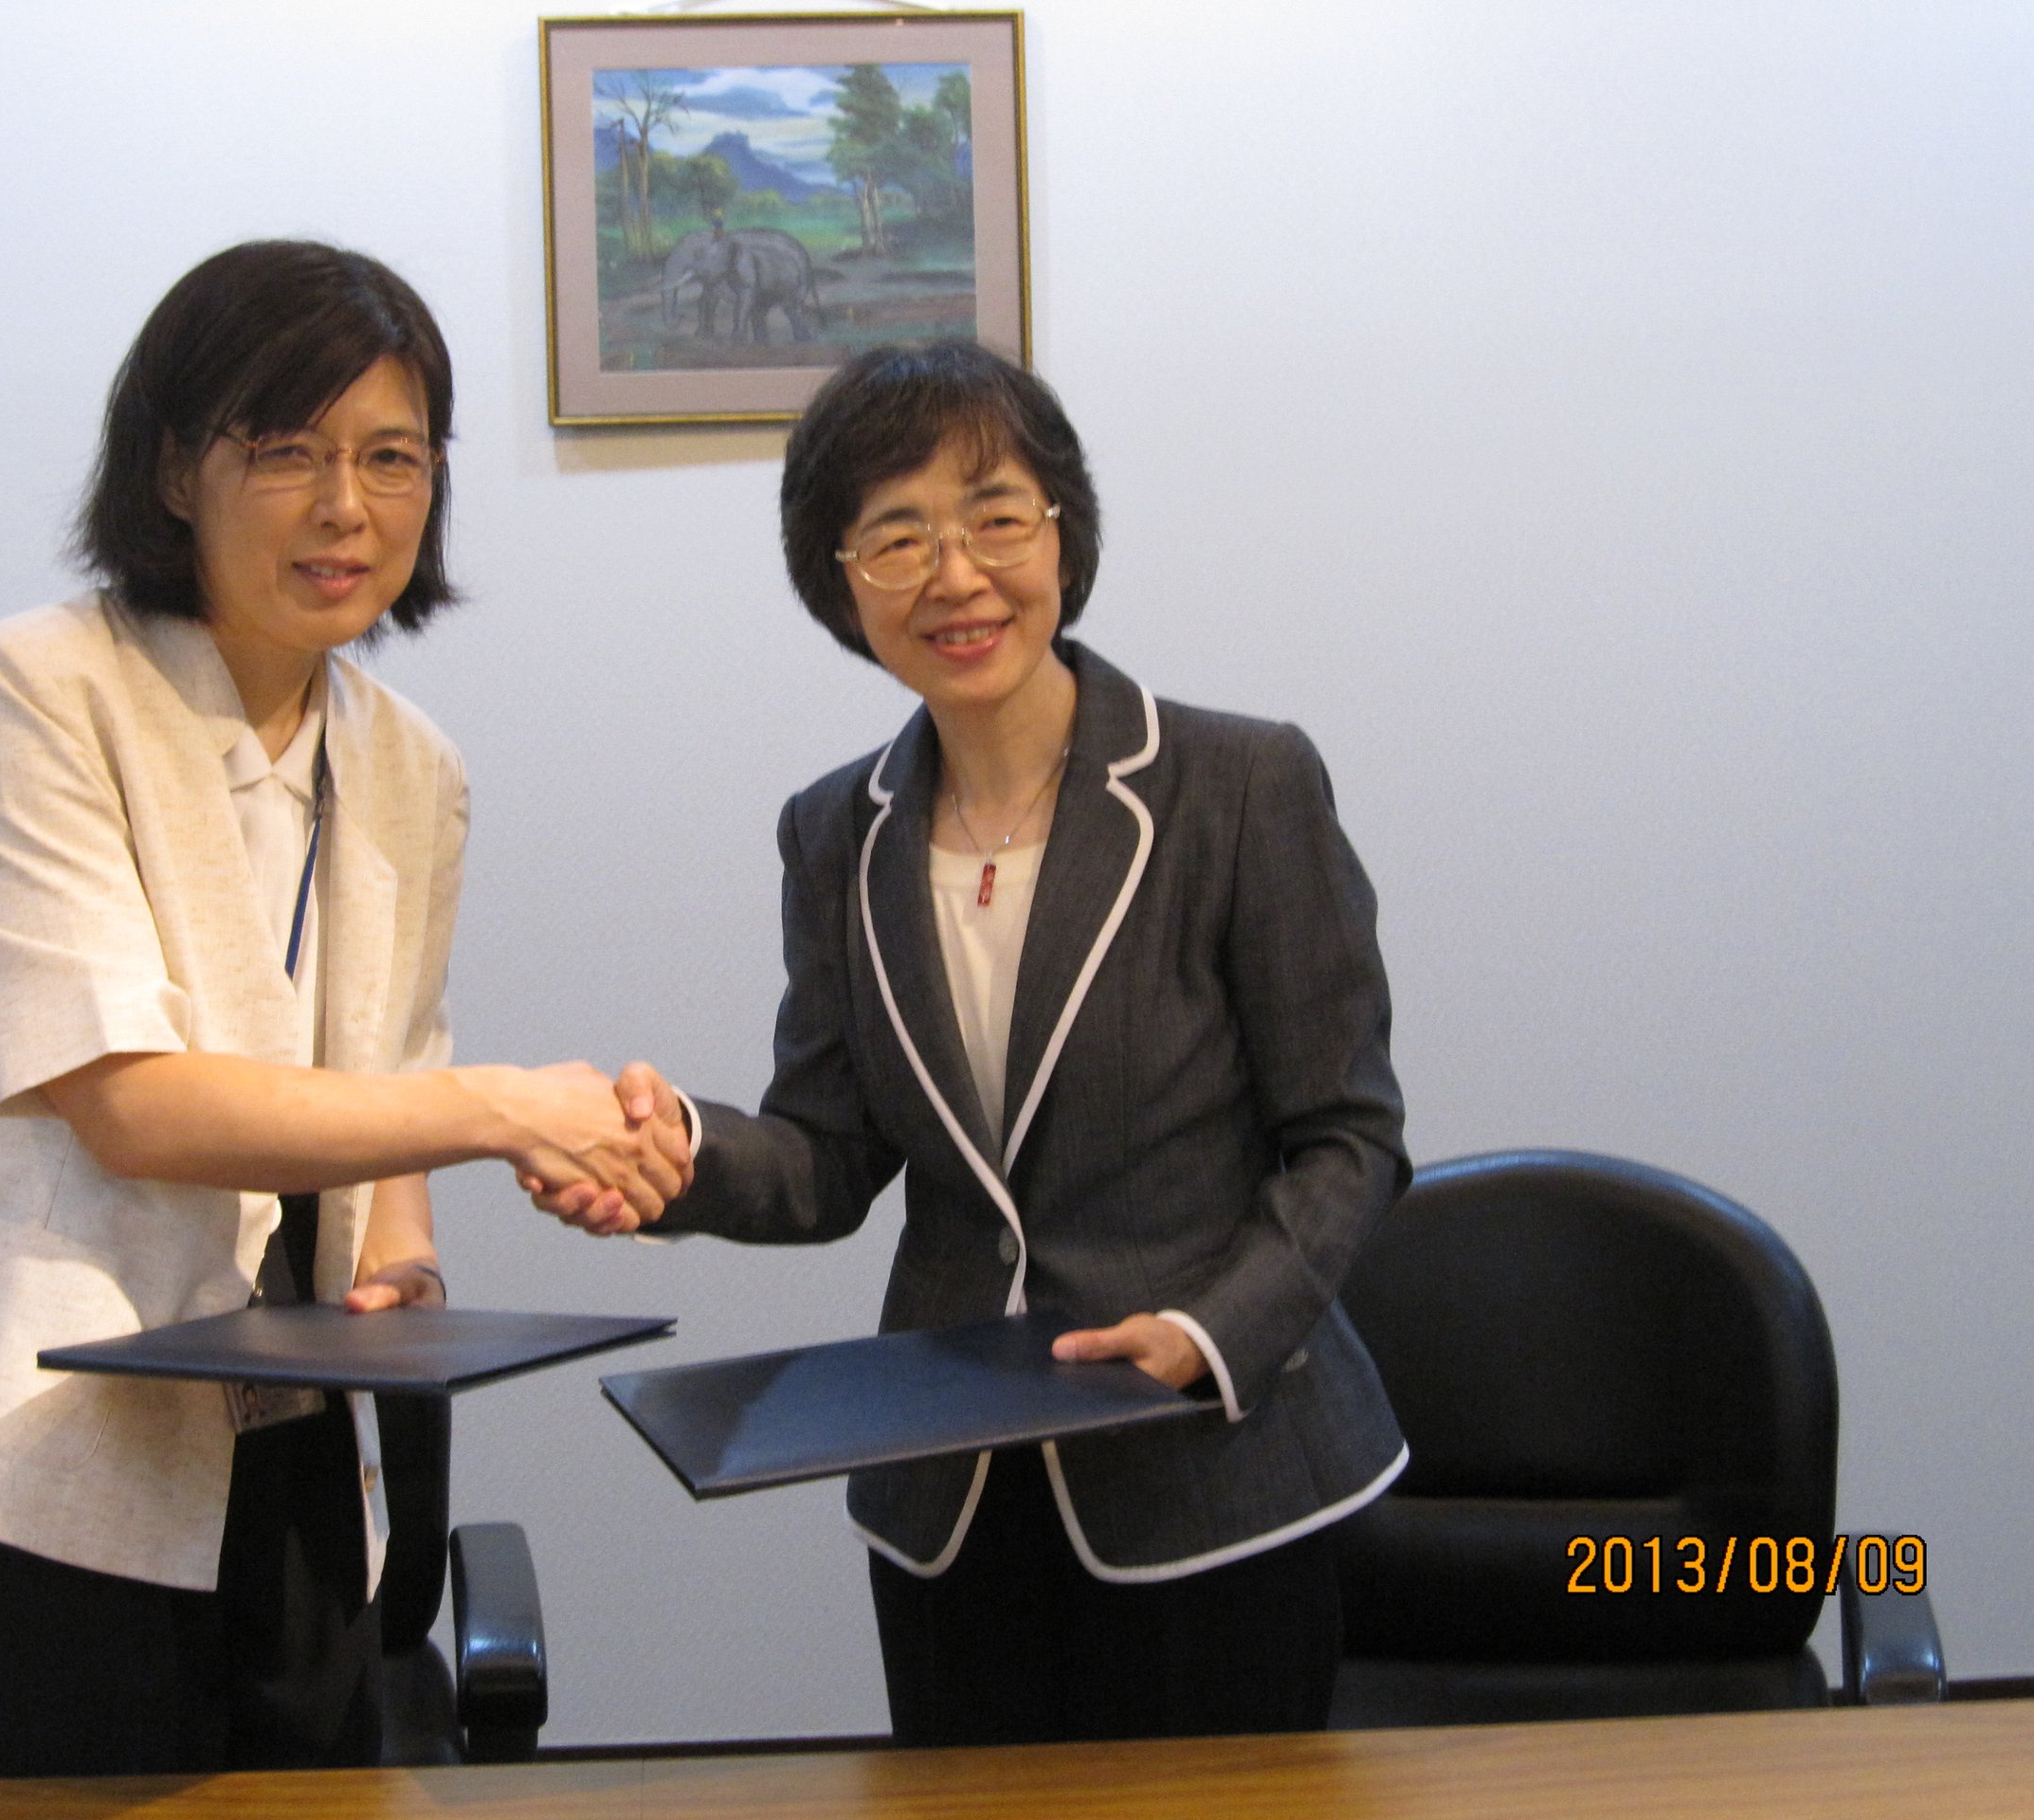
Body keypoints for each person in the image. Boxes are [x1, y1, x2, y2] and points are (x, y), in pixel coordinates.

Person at [0, 240, 689, 1778]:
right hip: (29, 1460)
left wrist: (404, 1268)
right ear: (172, 470)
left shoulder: (410, 758)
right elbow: (136, 1105)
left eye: (391, 457)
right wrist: (507, 1109)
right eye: (286, 452)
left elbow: (387, 1077)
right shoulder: (29, 696)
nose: (347, 506)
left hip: (286, 1450)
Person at [534, 340, 1410, 1745]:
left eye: (996, 515)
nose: (955, 575)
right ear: (840, 581)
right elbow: (828, 1158)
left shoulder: (1239, 785)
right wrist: (674, 1154)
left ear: (1064, 533)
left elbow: (1350, 1140)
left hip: (1210, 1475)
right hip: (949, 1493)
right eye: (896, 535)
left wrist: (1205, 1333)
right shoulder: (835, 831)